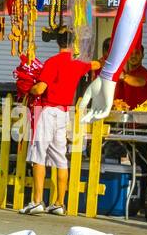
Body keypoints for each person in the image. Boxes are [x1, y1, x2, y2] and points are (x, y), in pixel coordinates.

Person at [21, 28, 94, 216]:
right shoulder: (78, 64)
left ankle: (37, 201)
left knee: (38, 155)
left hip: (48, 111)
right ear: (73, 44)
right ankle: (60, 203)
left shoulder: (52, 62)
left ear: (58, 42)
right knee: (61, 158)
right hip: (64, 113)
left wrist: (30, 88)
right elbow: (95, 64)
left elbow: (40, 89)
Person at [114, 41, 147, 110]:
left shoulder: (144, 73)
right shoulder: (125, 73)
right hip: (126, 117)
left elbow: (139, 82)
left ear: (143, 56)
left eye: (137, 53)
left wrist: (123, 76)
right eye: (131, 53)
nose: (133, 56)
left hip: (142, 118)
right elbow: (118, 98)